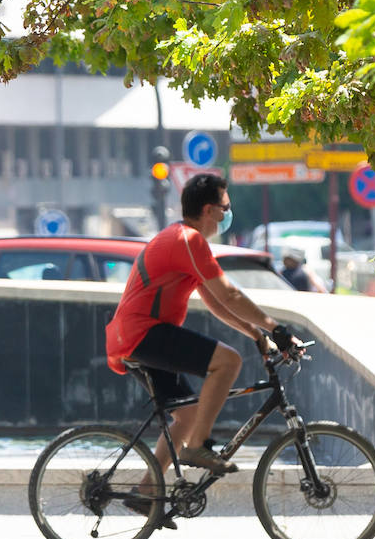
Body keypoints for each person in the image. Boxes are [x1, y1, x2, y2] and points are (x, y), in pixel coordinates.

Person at [104, 173, 294, 519]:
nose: (227, 215)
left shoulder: (185, 241)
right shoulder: (187, 240)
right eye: (225, 208)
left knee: (188, 414)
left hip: (139, 335)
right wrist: (276, 327)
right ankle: (197, 448)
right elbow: (230, 293)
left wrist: (257, 334)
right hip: (143, 333)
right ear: (209, 210)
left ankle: (146, 492)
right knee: (227, 361)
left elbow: (216, 302)